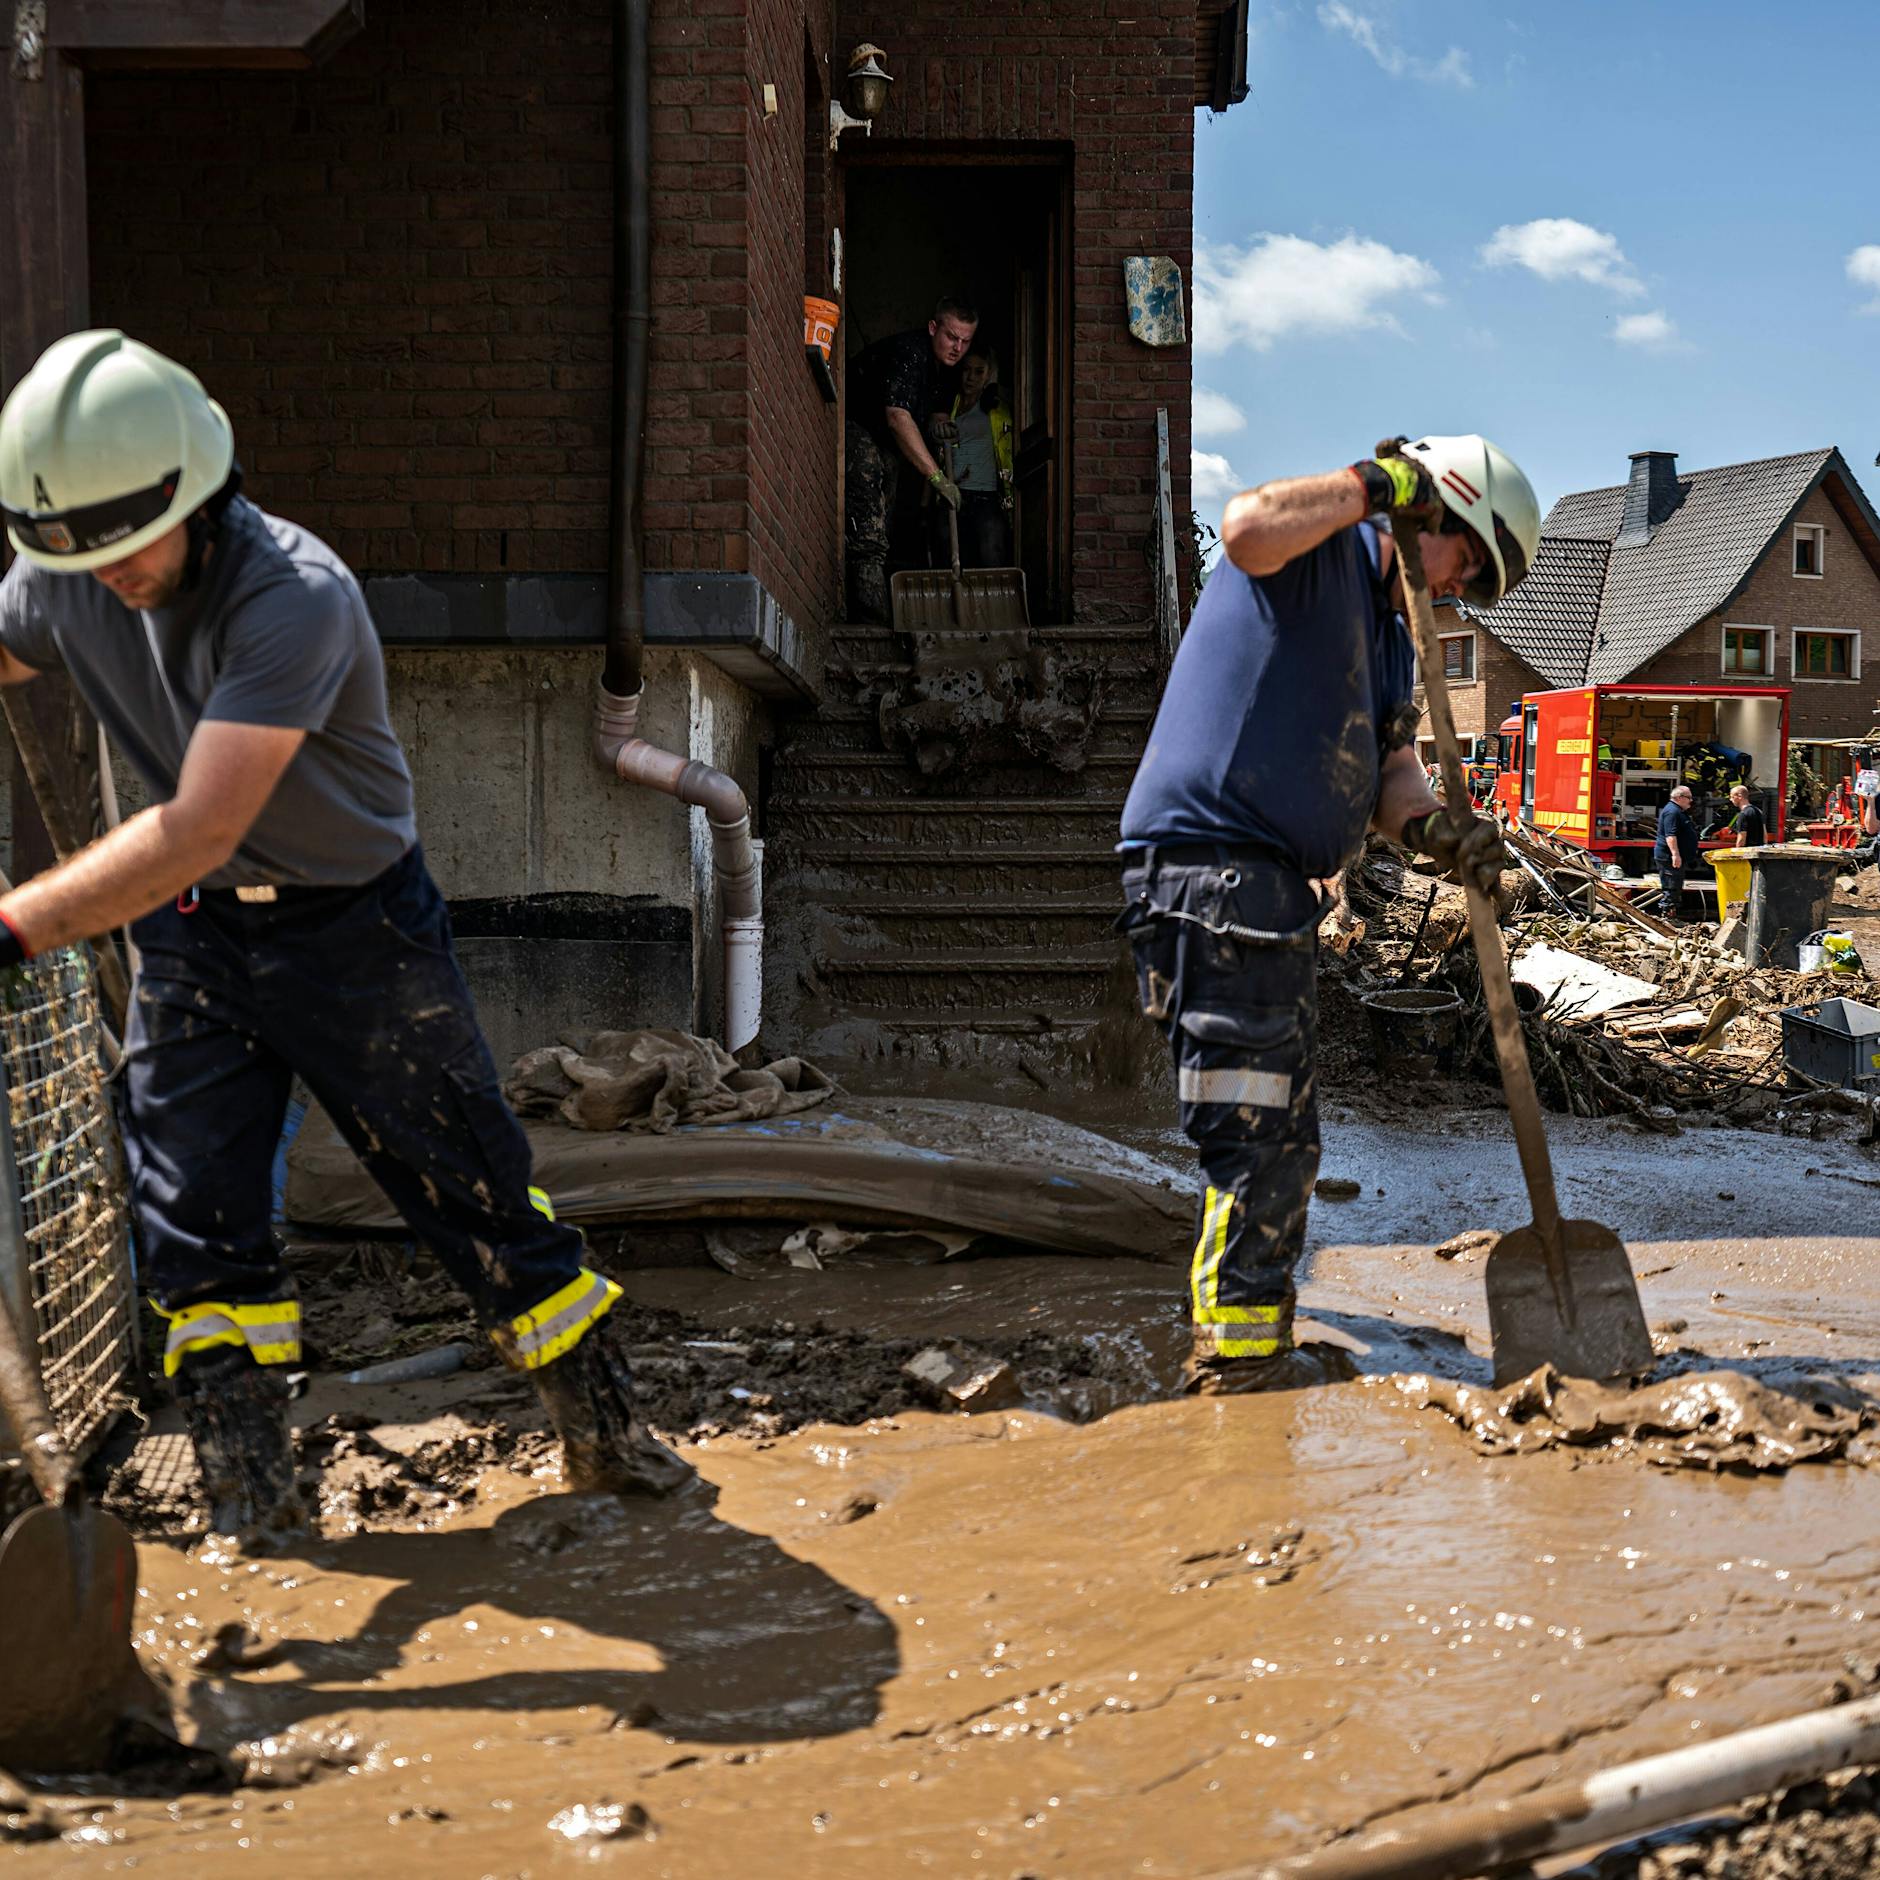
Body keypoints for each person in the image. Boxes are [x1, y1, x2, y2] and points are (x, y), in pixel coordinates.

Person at [0, 331, 691, 1544]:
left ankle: (605, 1437)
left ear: (195, 492)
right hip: (192, 937)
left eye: (124, 546)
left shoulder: (294, 596)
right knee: (194, 1221)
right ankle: (256, 1515)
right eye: (74, 556)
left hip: (354, 929)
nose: (104, 578)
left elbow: (203, 824)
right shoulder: (67, 573)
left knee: (473, 1190)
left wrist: (15, 925)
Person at [1117, 435, 1541, 1394]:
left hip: (1263, 890)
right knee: (1257, 1131)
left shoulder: (1392, 637)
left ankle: (1237, 1331)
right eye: (1466, 562)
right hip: (1215, 872)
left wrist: (1437, 833)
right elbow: (1245, 528)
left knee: (1283, 1133)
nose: (1460, 589)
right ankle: (1238, 1366)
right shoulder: (1317, 550)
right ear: (1430, 508)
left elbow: (1393, 774)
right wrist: (1370, 486)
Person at [844, 295, 977, 623]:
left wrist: (940, 425)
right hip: (854, 422)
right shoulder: (910, 353)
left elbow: (936, 412)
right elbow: (898, 417)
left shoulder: (948, 369)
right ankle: (867, 612)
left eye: (965, 341)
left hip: (886, 440)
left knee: (886, 511)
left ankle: (875, 599)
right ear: (933, 328)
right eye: (951, 337)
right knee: (868, 509)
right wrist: (937, 478)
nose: (958, 348)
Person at [934, 347, 1014, 571]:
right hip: (953, 494)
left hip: (986, 496)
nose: (971, 377)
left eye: (979, 371)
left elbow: (1024, 398)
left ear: (988, 374)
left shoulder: (995, 404)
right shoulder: (951, 404)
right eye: (966, 370)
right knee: (951, 563)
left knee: (990, 561)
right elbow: (937, 451)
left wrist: (997, 389)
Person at [1654, 784, 1699, 921]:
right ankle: (1667, 917)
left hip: (1673, 856)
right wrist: (1675, 854)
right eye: (1689, 797)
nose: (1691, 801)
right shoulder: (1672, 812)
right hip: (1668, 857)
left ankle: (1671, 915)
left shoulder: (1677, 811)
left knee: (1675, 885)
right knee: (1671, 886)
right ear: (1679, 797)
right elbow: (1670, 835)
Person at [1728, 783, 1766, 849]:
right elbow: (1765, 836)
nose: (1730, 799)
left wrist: (1737, 852)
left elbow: (1741, 840)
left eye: (1732, 797)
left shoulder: (1743, 814)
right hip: (1759, 851)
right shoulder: (1758, 811)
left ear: (1739, 796)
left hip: (1747, 852)